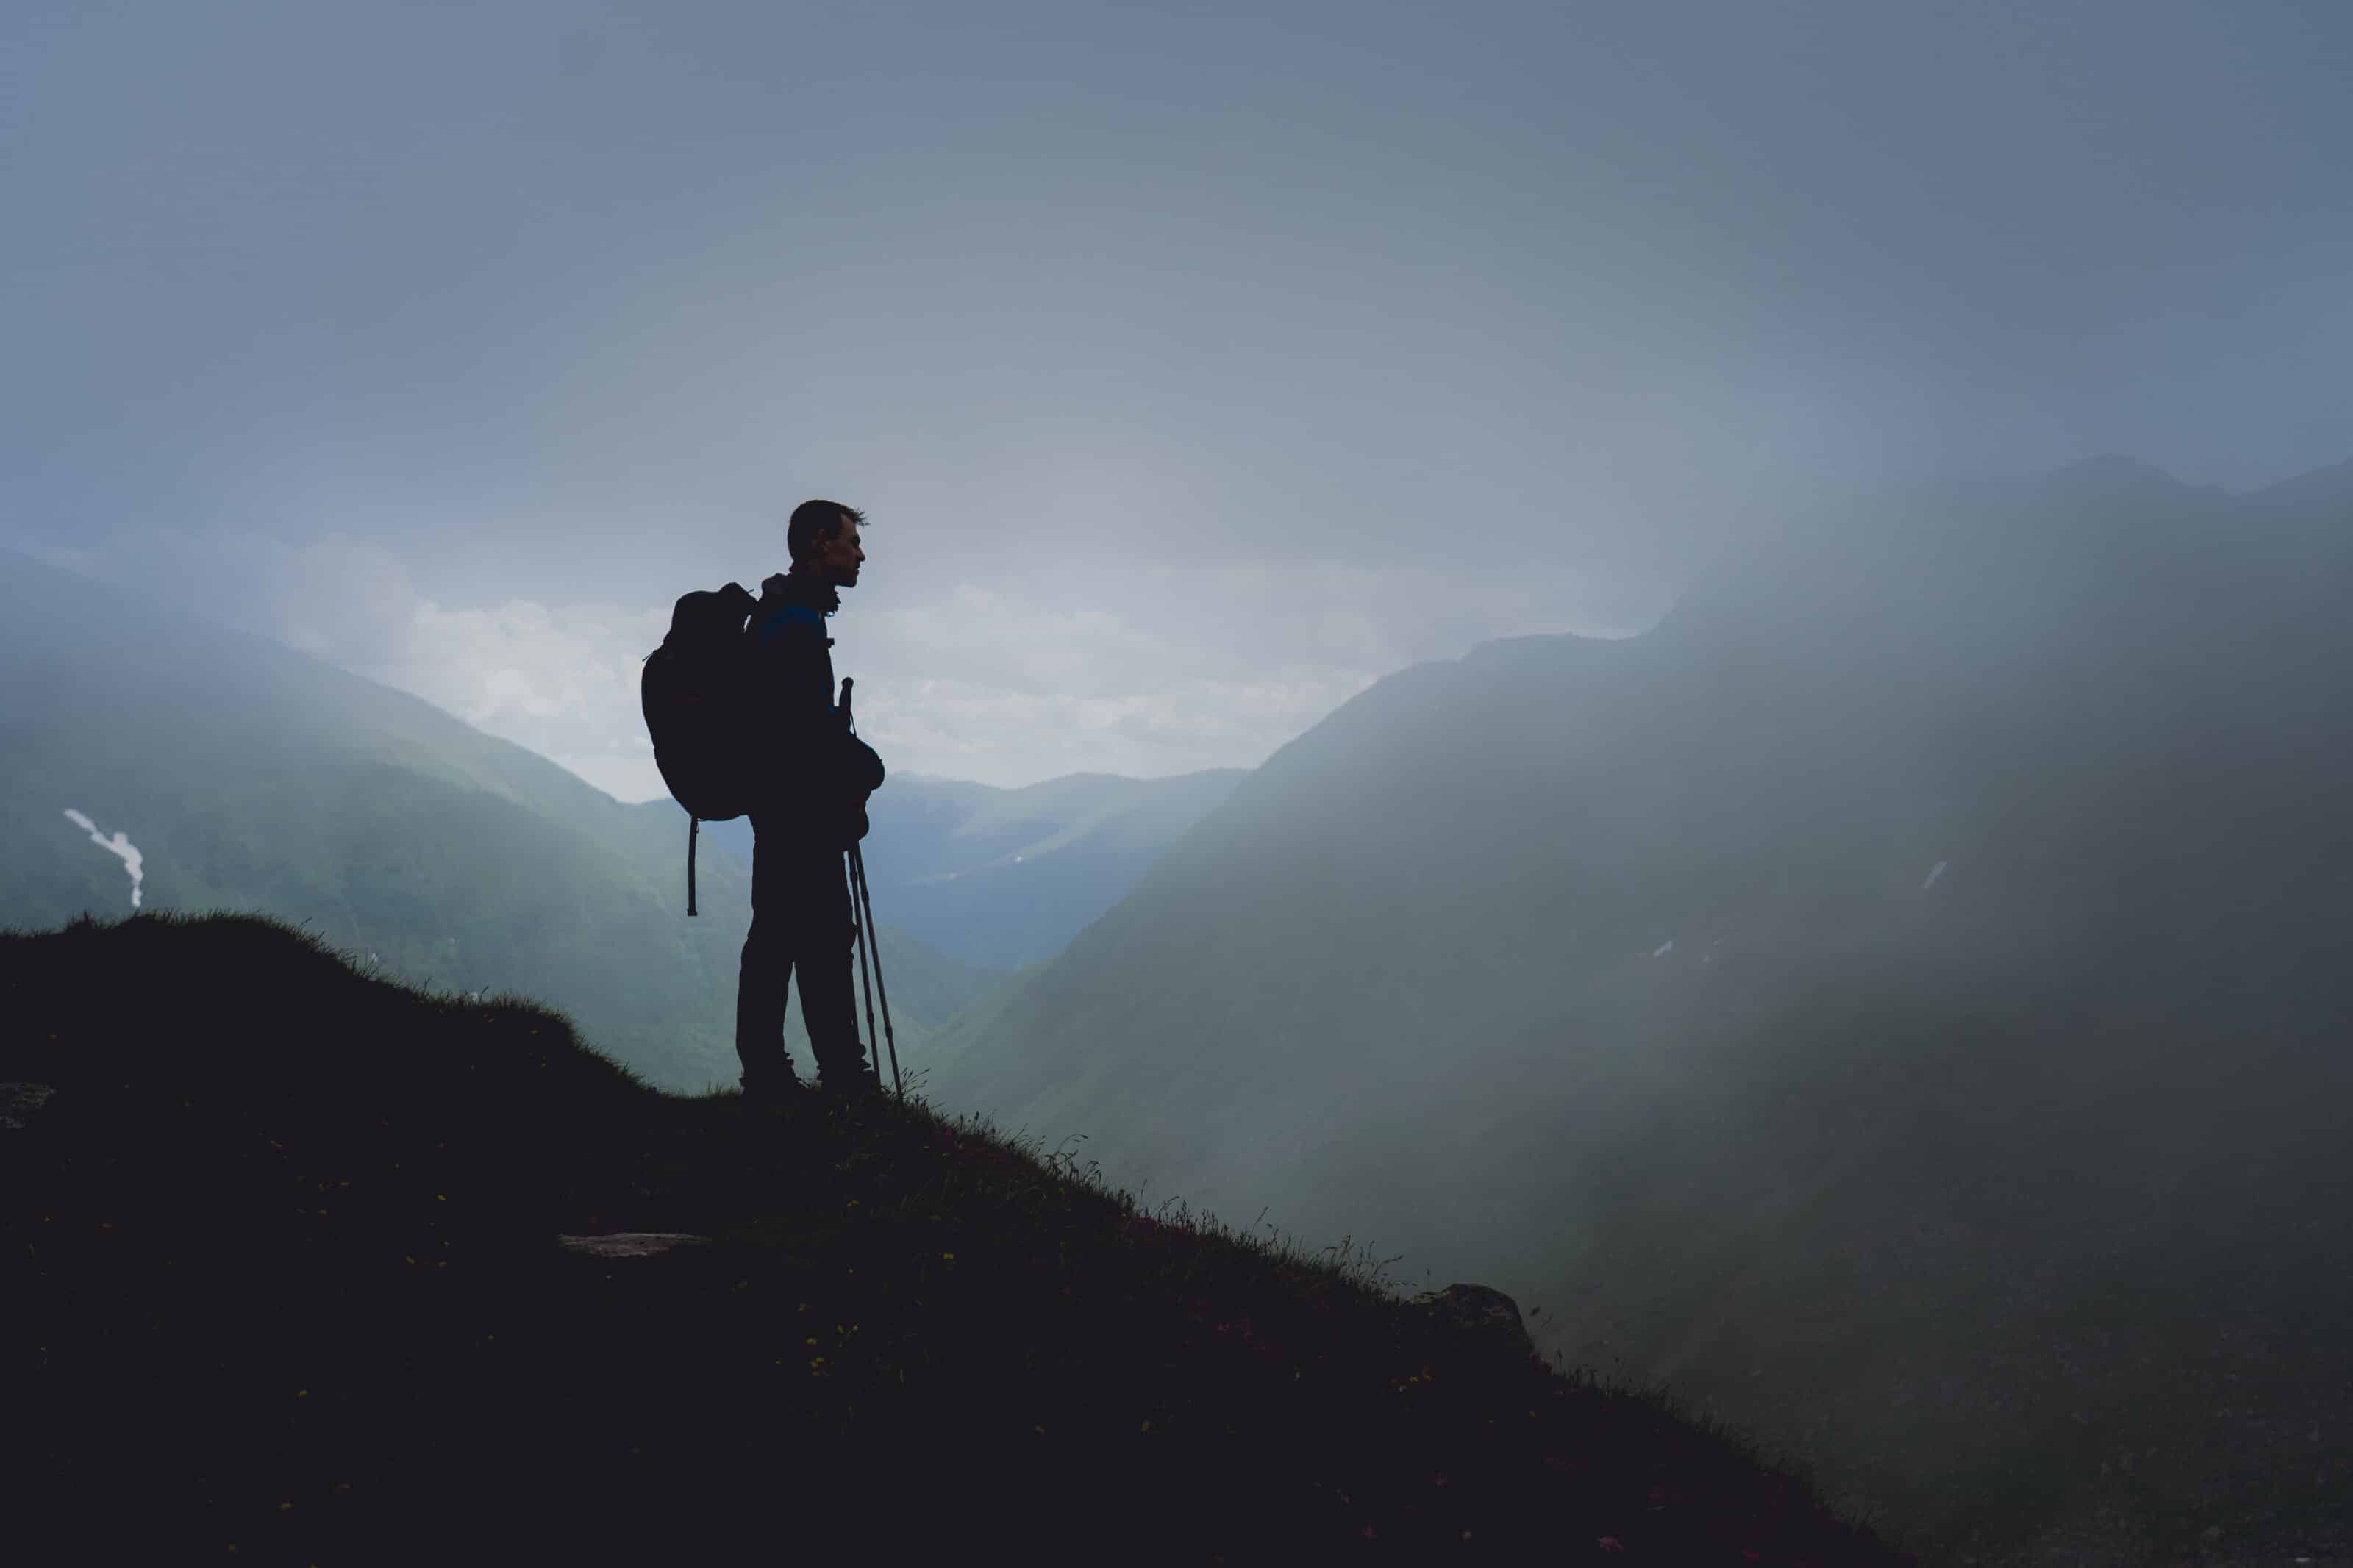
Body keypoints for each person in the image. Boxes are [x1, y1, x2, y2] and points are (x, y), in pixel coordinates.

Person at [734, 498, 887, 1105]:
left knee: (775, 936)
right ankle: (844, 1080)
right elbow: (806, 728)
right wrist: (863, 767)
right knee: (822, 939)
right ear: (822, 543)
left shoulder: (779, 614)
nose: (861, 554)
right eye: (852, 542)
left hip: (776, 806)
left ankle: (768, 1074)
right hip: (800, 812)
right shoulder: (796, 623)